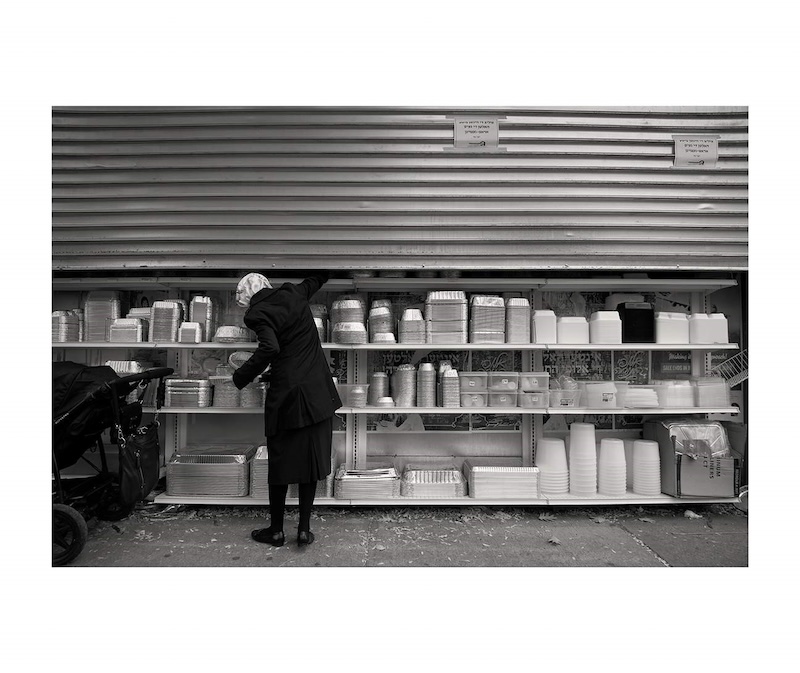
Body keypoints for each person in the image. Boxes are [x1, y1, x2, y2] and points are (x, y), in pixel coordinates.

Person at [232, 271, 341, 547]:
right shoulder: (294, 292)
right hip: (317, 394)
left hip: (288, 398)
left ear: (247, 296)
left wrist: (241, 376)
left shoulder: (256, 314)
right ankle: (304, 529)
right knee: (311, 461)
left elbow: (270, 347)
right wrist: (333, 268)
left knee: (280, 463)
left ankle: (277, 530)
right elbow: (314, 280)